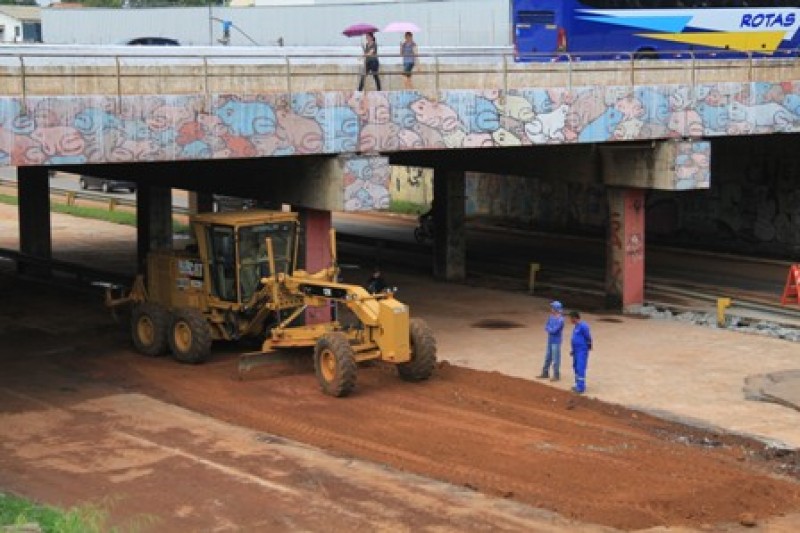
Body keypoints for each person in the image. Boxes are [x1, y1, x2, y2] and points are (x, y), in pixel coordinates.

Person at [537, 300, 564, 381]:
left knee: (556, 358)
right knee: (548, 356)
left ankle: (556, 375)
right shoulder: (551, 317)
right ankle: (545, 372)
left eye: (552, 307)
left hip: (556, 341)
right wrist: (549, 329)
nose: (551, 309)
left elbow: (554, 330)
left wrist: (549, 329)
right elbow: (546, 326)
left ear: (556, 309)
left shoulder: (560, 320)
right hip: (550, 339)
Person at [569, 310, 593, 394]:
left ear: (575, 318)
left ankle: (581, 387)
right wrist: (573, 350)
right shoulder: (576, 326)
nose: (570, 320)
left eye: (571, 318)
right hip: (576, 350)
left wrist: (589, 346)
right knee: (575, 367)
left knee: (580, 367)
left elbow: (588, 337)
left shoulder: (583, 326)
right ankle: (577, 384)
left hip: (582, 351)